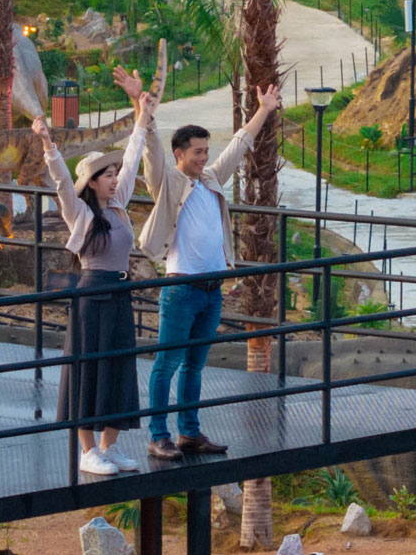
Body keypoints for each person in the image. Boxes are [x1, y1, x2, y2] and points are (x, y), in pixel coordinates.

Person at [117, 66, 279, 461]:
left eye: (206, 151)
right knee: (167, 364)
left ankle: (189, 432)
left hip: (212, 290)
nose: (204, 157)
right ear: (180, 154)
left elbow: (238, 146)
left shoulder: (210, 179)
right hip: (182, 289)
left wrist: (264, 109)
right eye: (197, 152)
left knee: (194, 366)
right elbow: (152, 151)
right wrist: (142, 105)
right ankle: (159, 434)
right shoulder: (169, 182)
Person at [35, 92, 150, 476]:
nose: (115, 179)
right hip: (92, 294)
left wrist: (142, 119)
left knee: (118, 367)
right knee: (87, 369)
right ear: (93, 182)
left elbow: (133, 159)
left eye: (115, 174)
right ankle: (87, 451)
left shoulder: (119, 205)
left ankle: (109, 447)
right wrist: (50, 146)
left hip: (119, 292)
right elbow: (63, 183)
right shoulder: (81, 214)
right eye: (107, 175)